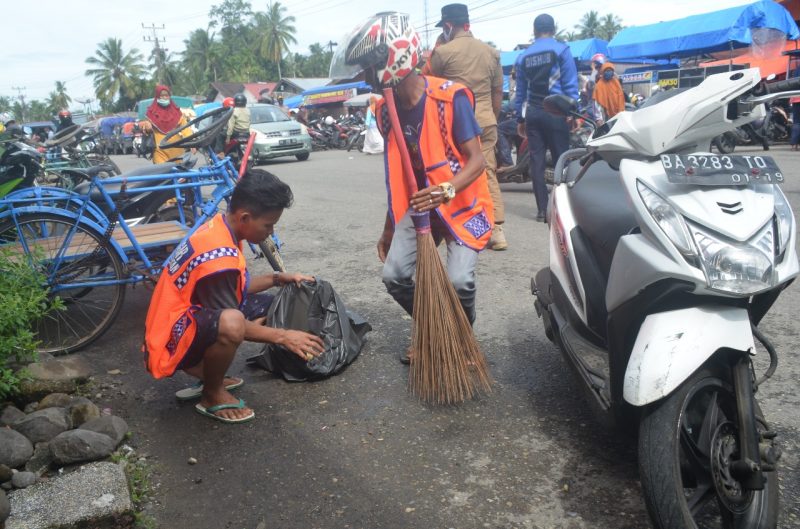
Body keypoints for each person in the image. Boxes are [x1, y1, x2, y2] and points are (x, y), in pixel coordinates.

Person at [331, 12, 493, 363]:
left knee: (460, 281)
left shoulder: (451, 98)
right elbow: (399, 176)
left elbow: (477, 161)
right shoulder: (384, 112)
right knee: (394, 276)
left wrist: (445, 190)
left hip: (461, 202)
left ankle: (463, 337)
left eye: (369, 68)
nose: (366, 78)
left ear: (391, 59)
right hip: (419, 205)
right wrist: (389, 227)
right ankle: (435, 329)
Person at [143, 169, 324, 424]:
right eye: (268, 225)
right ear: (245, 217)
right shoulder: (218, 256)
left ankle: (208, 372)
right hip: (168, 341)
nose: (271, 232)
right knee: (233, 324)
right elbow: (232, 322)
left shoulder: (221, 226)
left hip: (182, 321)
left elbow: (236, 287)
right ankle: (212, 392)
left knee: (270, 306)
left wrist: (277, 278)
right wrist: (285, 337)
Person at [427, 3, 508, 250]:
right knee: (487, 170)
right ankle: (496, 230)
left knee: (454, 172)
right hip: (485, 119)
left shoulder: (442, 53)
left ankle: (457, 223)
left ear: (448, 26)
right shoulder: (491, 52)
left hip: (454, 123)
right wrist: (490, 118)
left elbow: (431, 87)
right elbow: (497, 92)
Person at [514, 13, 579, 222]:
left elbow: (520, 92)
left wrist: (520, 119)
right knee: (562, 160)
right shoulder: (561, 50)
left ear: (534, 31)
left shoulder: (523, 57)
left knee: (537, 162)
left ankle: (542, 210)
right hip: (556, 112)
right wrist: (573, 112)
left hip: (533, 114)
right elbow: (570, 84)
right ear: (554, 29)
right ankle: (562, 209)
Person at [141, 85, 191, 164]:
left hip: (176, 149)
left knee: (179, 171)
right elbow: (145, 128)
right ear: (157, 97)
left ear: (169, 96)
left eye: (166, 95)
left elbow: (185, 128)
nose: (164, 98)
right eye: (162, 96)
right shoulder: (151, 113)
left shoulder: (177, 113)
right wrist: (147, 127)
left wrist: (192, 142)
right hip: (160, 151)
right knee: (162, 171)